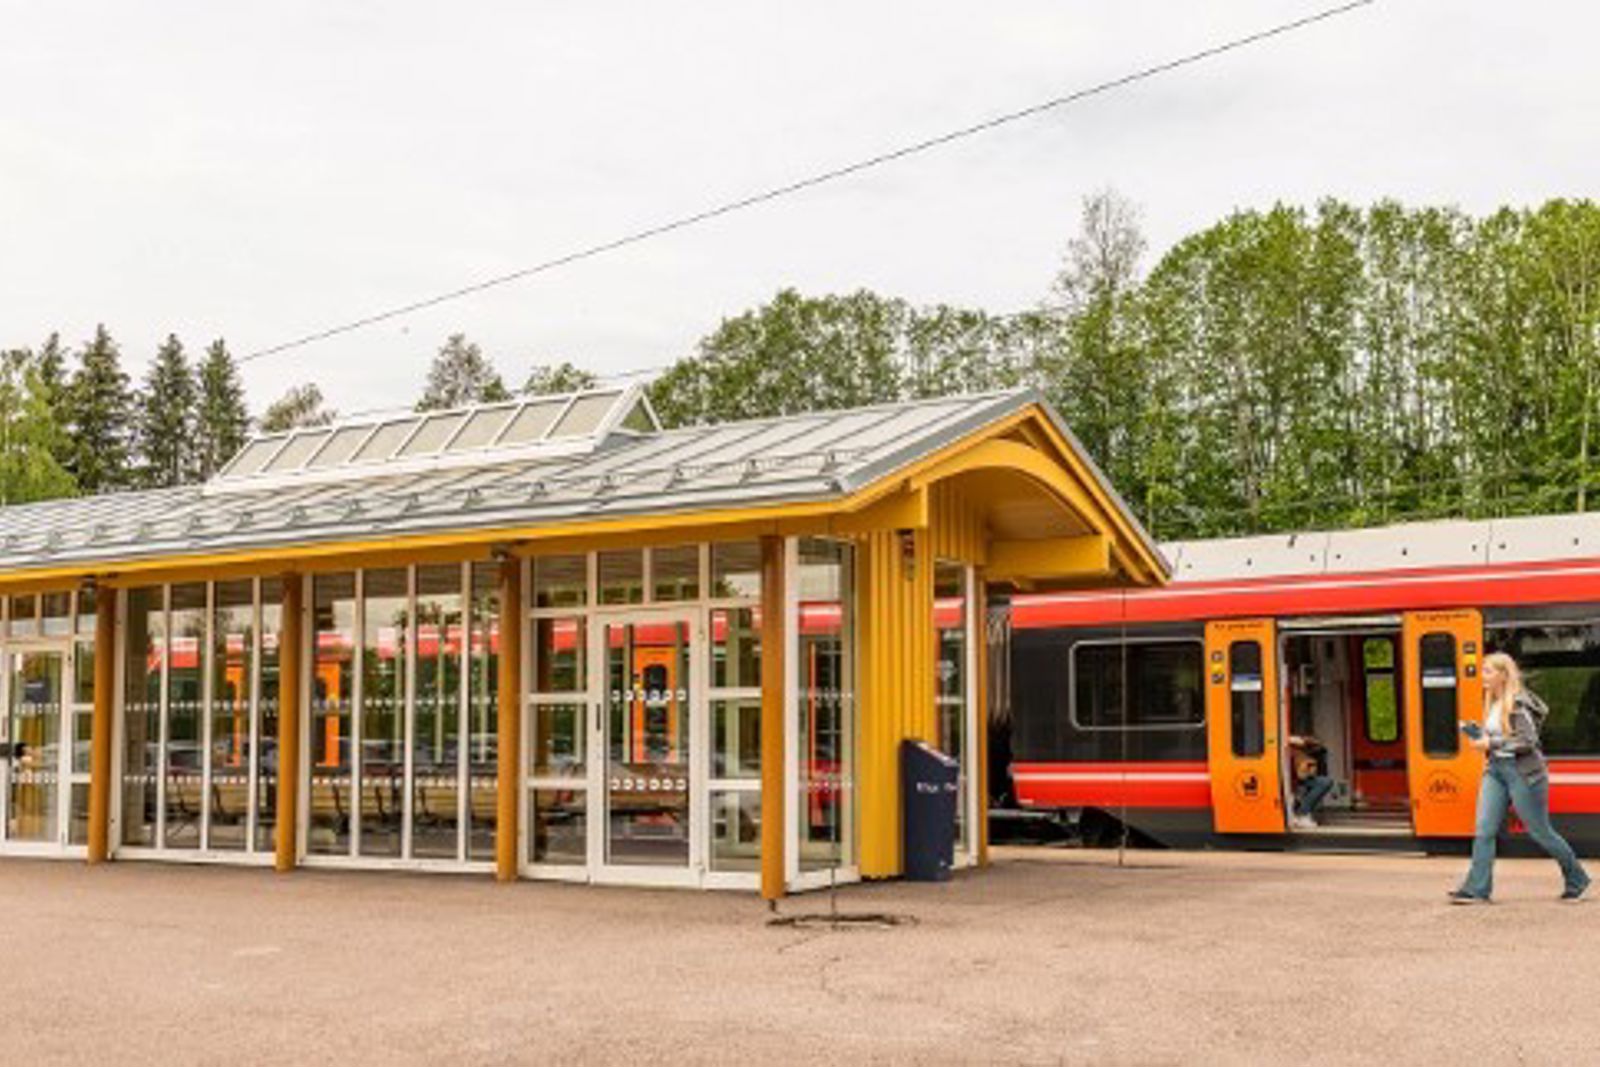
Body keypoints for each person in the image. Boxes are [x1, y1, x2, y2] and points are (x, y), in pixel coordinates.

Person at [1449, 652, 1591, 904]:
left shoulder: (1517, 703)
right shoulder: (1491, 701)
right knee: (1484, 830)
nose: (1482, 676)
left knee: (1540, 832)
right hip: (1495, 770)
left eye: (1488, 671)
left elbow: (1528, 740)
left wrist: (1489, 741)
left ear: (1503, 675)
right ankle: (1477, 889)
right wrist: (1478, 733)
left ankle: (1577, 878)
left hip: (1523, 773)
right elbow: (1501, 736)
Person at [1288, 733, 1333, 830]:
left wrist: (1303, 740)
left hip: (1297, 780)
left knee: (1325, 781)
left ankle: (1303, 813)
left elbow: (1318, 745)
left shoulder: (1301, 753)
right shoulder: (1290, 750)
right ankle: (1302, 814)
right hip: (1292, 781)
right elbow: (1301, 775)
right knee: (1324, 782)